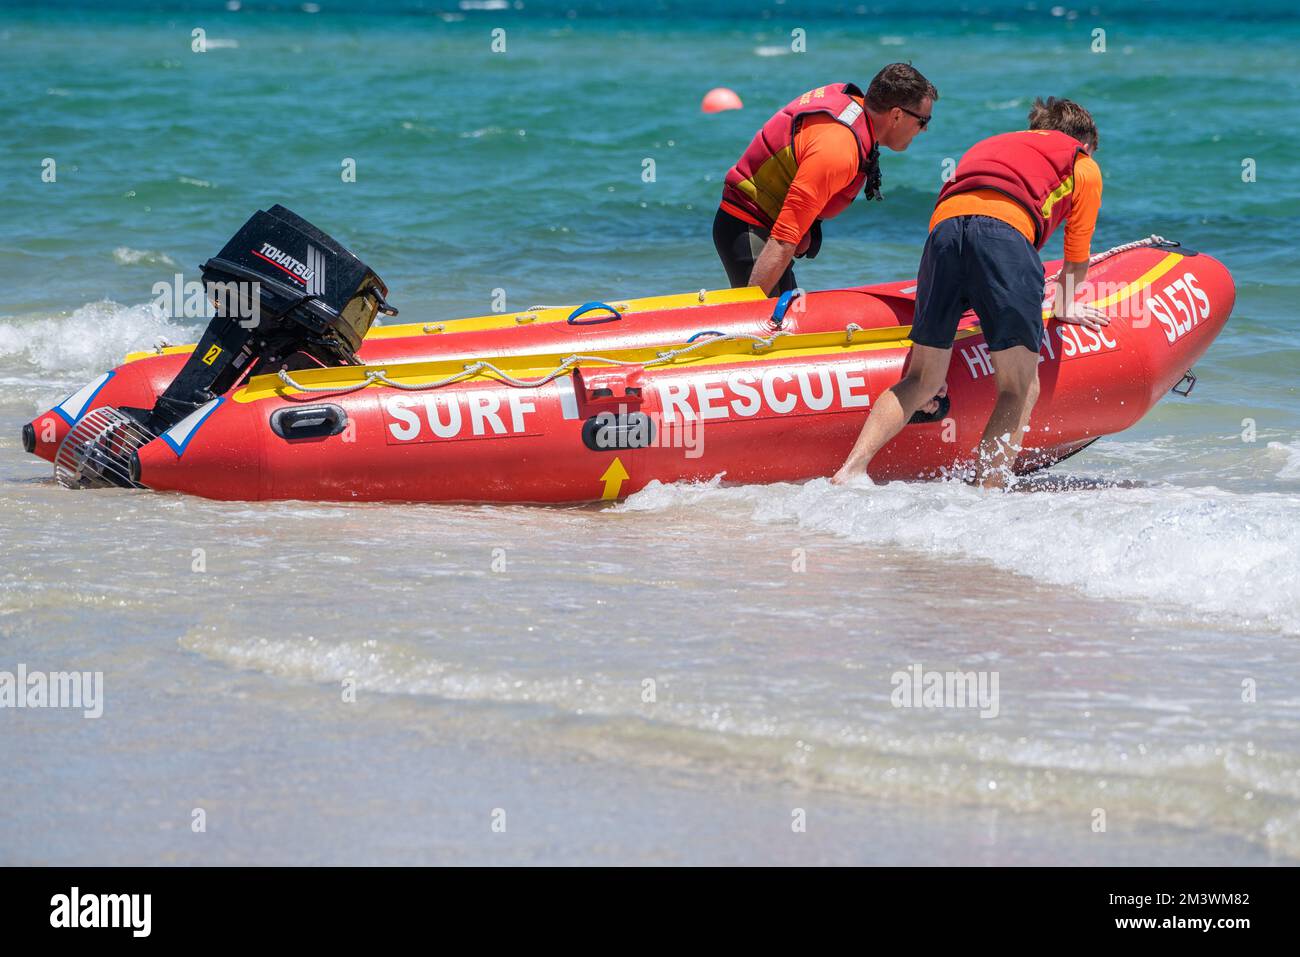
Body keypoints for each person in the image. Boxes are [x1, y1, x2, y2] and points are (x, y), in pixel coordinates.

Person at [831, 96, 1108, 489]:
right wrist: (1065, 306)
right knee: (1019, 388)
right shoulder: (1082, 164)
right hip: (1005, 237)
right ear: (1084, 141)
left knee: (922, 379)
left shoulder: (991, 144)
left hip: (943, 235)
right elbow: (1075, 258)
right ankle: (986, 491)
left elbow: (960, 208)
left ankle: (851, 470)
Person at [713, 63, 937, 296]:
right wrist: (750, 311)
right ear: (897, 115)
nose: (924, 130)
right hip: (748, 226)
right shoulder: (838, 149)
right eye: (923, 121)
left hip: (765, 231)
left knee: (785, 316)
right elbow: (783, 240)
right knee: (769, 322)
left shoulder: (853, 110)